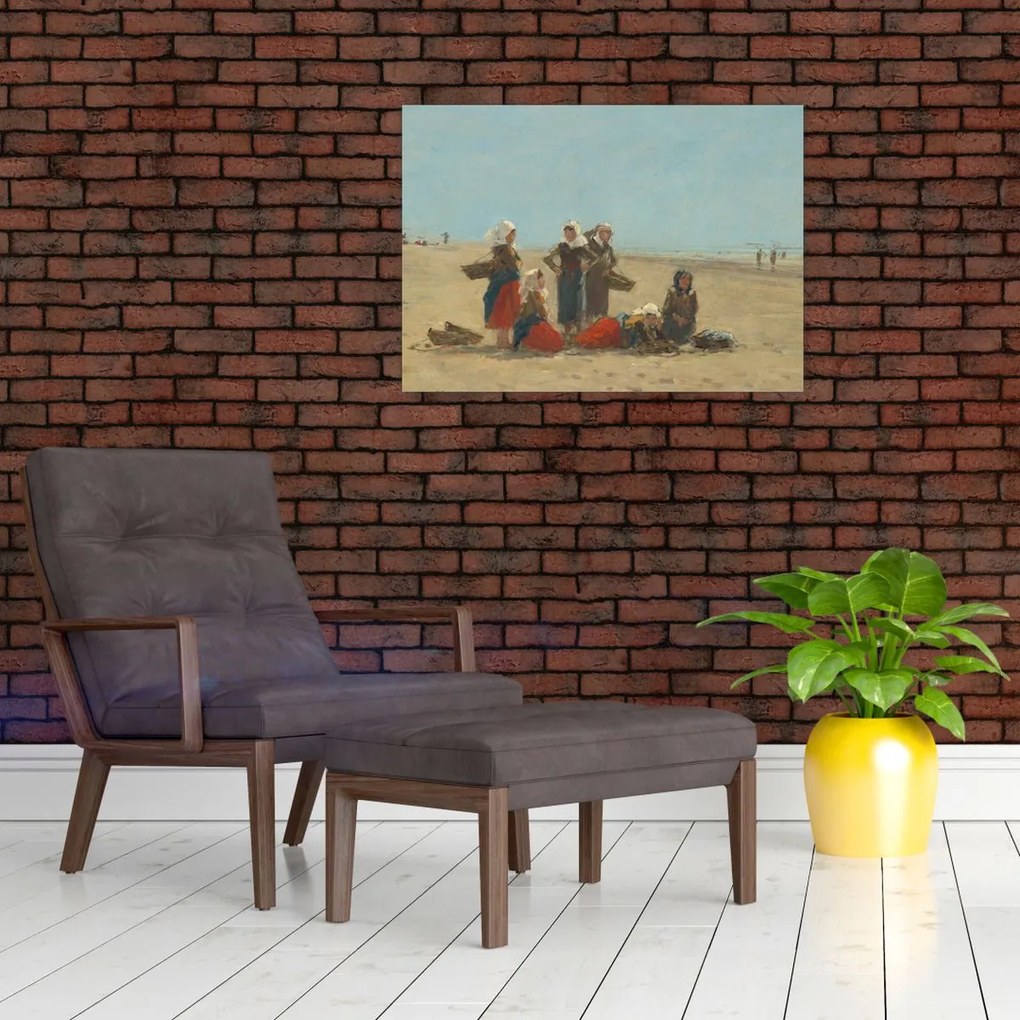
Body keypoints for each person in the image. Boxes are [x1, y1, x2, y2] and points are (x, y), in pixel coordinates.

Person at [461, 219, 522, 350]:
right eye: (511, 234)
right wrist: (518, 263)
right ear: (504, 234)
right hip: (506, 285)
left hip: (504, 283)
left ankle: (502, 341)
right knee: (504, 313)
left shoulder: (500, 248)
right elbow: (515, 265)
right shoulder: (505, 249)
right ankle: (503, 342)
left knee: (503, 313)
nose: (513, 237)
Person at [543, 220, 592, 339]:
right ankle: (567, 333)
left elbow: (594, 258)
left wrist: (586, 265)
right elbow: (547, 258)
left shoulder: (581, 246)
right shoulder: (561, 246)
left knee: (578, 303)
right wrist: (555, 268)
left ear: (576, 231)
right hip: (564, 278)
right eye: (566, 230)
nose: (568, 233)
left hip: (577, 277)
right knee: (565, 303)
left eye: (571, 230)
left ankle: (579, 333)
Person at [512, 269, 564, 353]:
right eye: (541, 278)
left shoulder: (527, 293)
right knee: (556, 341)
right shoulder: (534, 294)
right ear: (535, 280)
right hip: (531, 325)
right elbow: (542, 313)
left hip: (525, 325)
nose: (543, 281)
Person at [583, 222, 618, 325]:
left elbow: (613, 261)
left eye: (609, 233)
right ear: (600, 233)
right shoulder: (589, 245)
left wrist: (608, 269)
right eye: (607, 232)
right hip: (591, 279)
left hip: (603, 280)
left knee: (602, 306)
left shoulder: (608, 248)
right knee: (590, 306)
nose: (609, 235)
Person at [662, 269, 698, 345]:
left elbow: (694, 309)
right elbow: (666, 310)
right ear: (677, 280)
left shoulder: (692, 293)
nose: (685, 282)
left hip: (687, 322)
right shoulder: (672, 292)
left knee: (685, 335)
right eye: (683, 279)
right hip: (672, 321)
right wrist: (677, 318)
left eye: (688, 279)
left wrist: (686, 319)